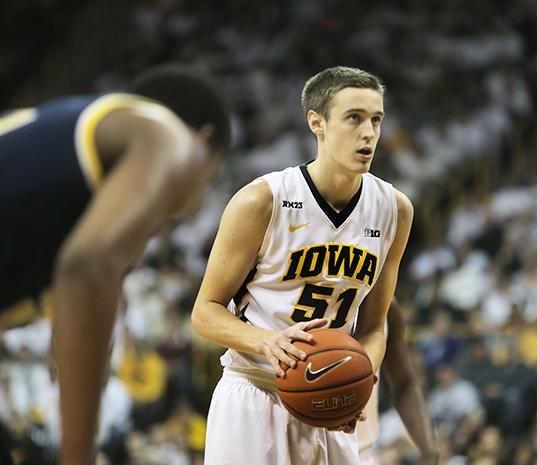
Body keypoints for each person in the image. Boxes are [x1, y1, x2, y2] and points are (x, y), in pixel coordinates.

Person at [0, 63, 231, 465]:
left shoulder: (56, 161)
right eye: (210, 178)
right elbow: (87, 265)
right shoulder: (169, 137)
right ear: (204, 138)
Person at [191, 66, 413, 465]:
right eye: (354, 118)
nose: (369, 133)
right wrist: (265, 342)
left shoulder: (394, 210)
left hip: (330, 404)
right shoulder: (262, 201)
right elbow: (204, 314)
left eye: (376, 120)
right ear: (318, 123)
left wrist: (361, 378)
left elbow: (375, 325)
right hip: (254, 392)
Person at [356, 298, 438, 465]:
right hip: (295, 443)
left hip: (359, 452)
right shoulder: (290, 295)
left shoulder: (384, 302)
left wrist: (430, 453)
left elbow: (405, 383)